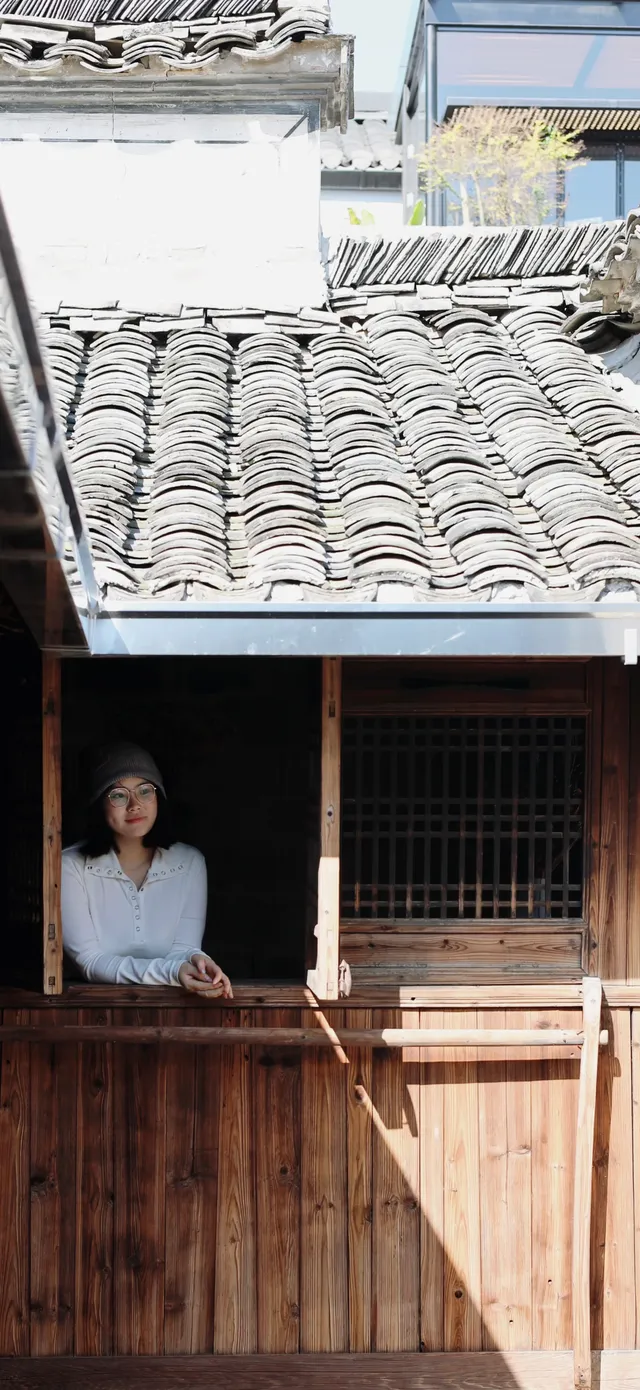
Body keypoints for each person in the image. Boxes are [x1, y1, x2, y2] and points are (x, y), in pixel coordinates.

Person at [62, 742, 232, 996]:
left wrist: (199, 961)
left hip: (172, 1011)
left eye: (145, 791)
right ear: (99, 803)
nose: (134, 805)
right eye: (118, 794)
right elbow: (90, 961)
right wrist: (172, 972)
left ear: (158, 797)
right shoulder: (69, 866)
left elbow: (183, 948)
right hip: (90, 1010)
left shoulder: (189, 862)